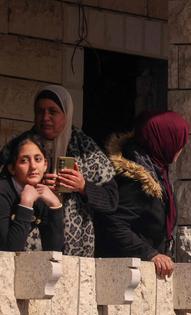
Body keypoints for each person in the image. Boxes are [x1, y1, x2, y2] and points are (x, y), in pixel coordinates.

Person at [0, 85, 118, 256]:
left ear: (66, 114)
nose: (45, 117)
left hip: (75, 247)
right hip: (25, 246)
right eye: (40, 111)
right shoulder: (21, 146)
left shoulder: (85, 148)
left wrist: (83, 186)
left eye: (52, 112)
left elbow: (112, 201)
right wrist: (35, 185)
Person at [95, 112, 189, 277]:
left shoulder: (158, 172)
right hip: (124, 274)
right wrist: (150, 254)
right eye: (178, 140)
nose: (181, 147)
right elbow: (113, 223)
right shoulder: (136, 178)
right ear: (164, 139)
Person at [0, 133, 64, 251]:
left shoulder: (42, 194)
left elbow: (55, 251)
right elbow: (7, 252)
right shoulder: (2, 191)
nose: (33, 166)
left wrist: (56, 205)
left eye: (38, 159)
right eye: (24, 161)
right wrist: (26, 204)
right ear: (12, 168)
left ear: (45, 164)